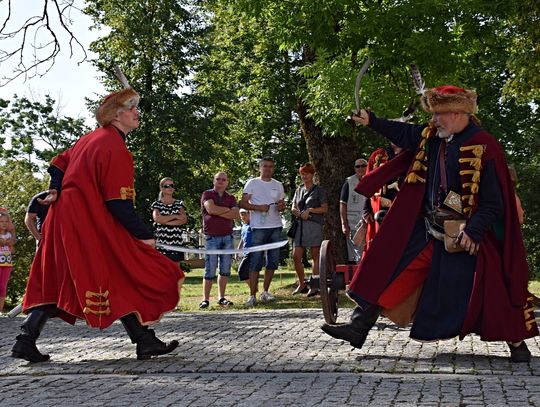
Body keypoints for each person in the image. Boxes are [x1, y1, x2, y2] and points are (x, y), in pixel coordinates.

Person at [322, 85, 538, 363]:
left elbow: (494, 202)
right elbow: (404, 133)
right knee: (395, 267)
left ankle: (517, 343)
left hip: (471, 233)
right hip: (430, 228)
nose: (434, 121)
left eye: (439, 115)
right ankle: (358, 327)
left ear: (459, 113)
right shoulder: (434, 138)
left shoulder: (486, 146)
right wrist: (372, 120)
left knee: (490, 289)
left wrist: (473, 230)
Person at [11, 87, 184, 363]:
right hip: (85, 221)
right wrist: (142, 235)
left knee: (67, 278)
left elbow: (58, 163)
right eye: (131, 109)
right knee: (113, 270)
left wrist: (55, 188)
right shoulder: (114, 148)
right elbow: (117, 202)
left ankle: (26, 339)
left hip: (64, 217)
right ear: (117, 116)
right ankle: (143, 339)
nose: (136, 113)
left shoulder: (89, 139)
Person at [240, 157, 286, 307]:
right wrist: (258, 208)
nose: (267, 169)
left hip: (275, 226)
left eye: (270, 166)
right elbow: (242, 203)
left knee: (272, 261)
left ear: (273, 168)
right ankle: (252, 295)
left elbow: (282, 205)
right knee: (255, 261)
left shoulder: (278, 185)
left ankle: (265, 292)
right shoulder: (252, 183)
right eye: (265, 166)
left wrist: (280, 207)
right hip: (258, 227)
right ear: (260, 168)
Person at [199, 172, 239, 309]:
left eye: (224, 179)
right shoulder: (207, 194)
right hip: (211, 237)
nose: (221, 181)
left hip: (228, 236)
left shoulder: (231, 197)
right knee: (210, 269)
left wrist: (219, 211)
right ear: (213, 181)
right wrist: (227, 210)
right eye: (218, 179)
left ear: (227, 182)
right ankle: (205, 299)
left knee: (225, 269)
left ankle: (221, 297)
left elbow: (235, 214)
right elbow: (210, 209)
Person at [290, 163, 328, 297]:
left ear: (312, 174)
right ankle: (302, 284)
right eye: (302, 173)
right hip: (300, 226)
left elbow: (324, 208)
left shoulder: (319, 190)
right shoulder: (299, 190)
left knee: (315, 256)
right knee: (296, 256)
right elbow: (293, 207)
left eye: (307, 173)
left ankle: (314, 285)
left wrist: (311, 210)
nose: (304, 176)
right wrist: (300, 214)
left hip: (314, 225)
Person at [362, 144, 403, 251]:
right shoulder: (377, 156)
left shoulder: (413, 155)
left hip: (403, 206)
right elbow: (368, 185)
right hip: (379, 209)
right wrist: (366, 209)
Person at [152, 177, 188, 263]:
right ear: (161, 188)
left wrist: (166, 221)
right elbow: (157, 219)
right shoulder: (156, 204)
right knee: (162, 270)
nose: (170, 188)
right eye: (167, 186)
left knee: (176, 271)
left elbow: (184, 220)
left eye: (172, 185)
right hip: (161, 242)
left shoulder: (179, 203)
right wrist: (175, 216)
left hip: (176, 241)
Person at [339, 158, 368, 263]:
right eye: (357, 166)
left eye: (363, 165)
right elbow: (342, 204)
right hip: (353, 224)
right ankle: (357, 274)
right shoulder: (349, 182)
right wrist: (344, 223)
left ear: (368, 166)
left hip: (370, 222)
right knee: (356, 254)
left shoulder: (373, 179)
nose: (360, 168)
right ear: (354, 168)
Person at [0, 212, 15, 313]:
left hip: (7, 264)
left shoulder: (10, 235)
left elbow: (13, 251)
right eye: (1, 221)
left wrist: (10, 245)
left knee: (3, 287)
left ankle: (0, 310)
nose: (4, 223)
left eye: (6, 221)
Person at [237, 208, 252, 282]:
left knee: (242, 271)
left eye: (244, 214)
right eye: (241, 215)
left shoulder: (253, 225)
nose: (243, 216)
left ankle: (254, 289)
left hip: (252, 253)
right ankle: (254, 289)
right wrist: (237, 251)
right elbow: (242, 239)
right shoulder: (243, 227)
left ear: (249, 214)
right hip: (245, 253)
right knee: (244, 273)